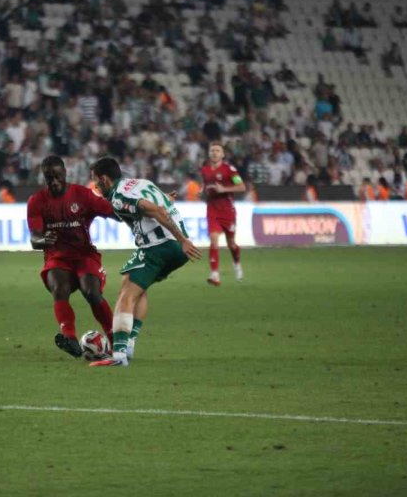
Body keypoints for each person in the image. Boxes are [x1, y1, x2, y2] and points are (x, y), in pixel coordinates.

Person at [89, 157, 201, 367]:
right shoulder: (141, 183)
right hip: (175, 250)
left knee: (126, 295)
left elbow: (156, 211)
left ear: (104, 179)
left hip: (159, 246)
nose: (96, 186)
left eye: (96, 181)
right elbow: (155, 204)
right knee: (137, 287)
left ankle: (119, 355)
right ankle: (129, 343)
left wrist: (183, 241)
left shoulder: (119, 197)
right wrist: (166, 198)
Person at [26, 156, 116, 358]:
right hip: (57, 257)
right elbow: (34, 239)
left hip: (84, 255)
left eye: (57, 176)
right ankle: (70, 338)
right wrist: (43, 240)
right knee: (59, 289)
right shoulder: (37, 201)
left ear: (65, 173)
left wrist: (138, 213)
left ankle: (115, 339)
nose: (54, 182)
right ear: (44, 178)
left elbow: (112, 212)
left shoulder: (82, 195)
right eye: (50, 178)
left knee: (91, 293)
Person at [200, 142, 245, 286]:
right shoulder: (205, 170)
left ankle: (237, 263)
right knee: (214, 239)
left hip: (228, 211)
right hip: (212, 209)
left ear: (223, 154)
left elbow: (241, 186)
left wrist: (224, 189)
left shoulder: (229, 170)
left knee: (231, 243)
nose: (214, 153)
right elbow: (206, 185)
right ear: (209, 153)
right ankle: (215, 275)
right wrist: (202, 191)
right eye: (212, 150)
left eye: (217, 150)